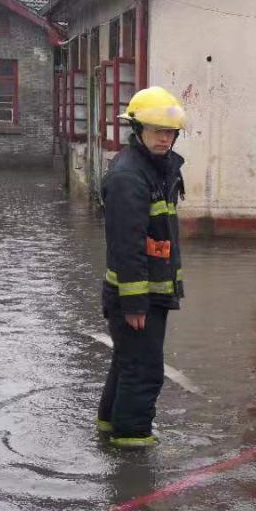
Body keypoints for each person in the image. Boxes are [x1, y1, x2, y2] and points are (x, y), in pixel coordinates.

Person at [96, 87, 187, 448]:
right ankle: (132, 445)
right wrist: (134, 303)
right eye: (156, 131)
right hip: (138, 297)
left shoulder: (156, 169)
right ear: (137, 130)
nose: (165, 138)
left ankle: (109, 427)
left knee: (126, 364)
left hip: (150, 292)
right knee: (145, 372)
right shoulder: (129, 178)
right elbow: (127, 245)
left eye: (170, 132)